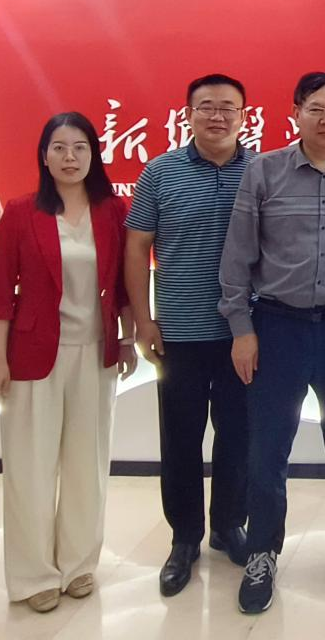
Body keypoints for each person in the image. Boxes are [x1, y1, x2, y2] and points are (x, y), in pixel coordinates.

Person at [220, 72, 325, 615]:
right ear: (295, 113)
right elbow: (237, 258)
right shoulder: (264, 171)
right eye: (316, 108)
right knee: (268, 447)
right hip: (277, 326)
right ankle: (263, 551)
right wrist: (241, 330)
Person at [0, 112, 137, 612]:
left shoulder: (112, 211)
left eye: (80, 148)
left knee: (86, 463)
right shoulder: (21, 211)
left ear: (94, 155)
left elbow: (124, 284)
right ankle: (33, 575)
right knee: (30, 465)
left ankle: (78, 564)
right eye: (59, 148)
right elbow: (0, 292)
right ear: (44, 156)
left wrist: (128, 339)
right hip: (31, 354)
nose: (70, 158)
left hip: (95, 352)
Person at [125, 74, 253, 596]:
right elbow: (137, 248)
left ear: (244, 116)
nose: (217, 116)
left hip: (243, 332)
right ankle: (184, 537)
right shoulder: (160, 172)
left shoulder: (261, 171)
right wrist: (143, 319)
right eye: (206, 107)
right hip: (177, 331)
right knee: (179, 439)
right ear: (188, 114)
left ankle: (228, 525)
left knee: (239, 435)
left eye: (228, 108)